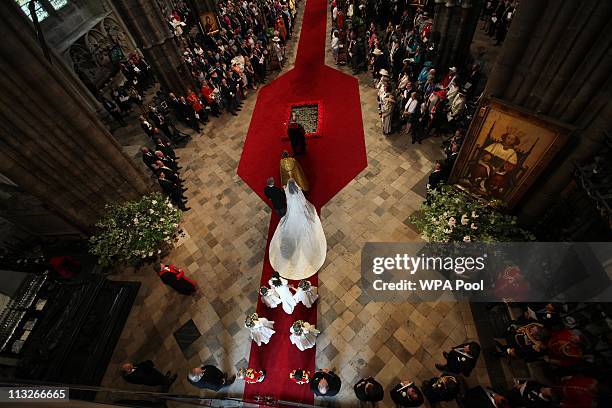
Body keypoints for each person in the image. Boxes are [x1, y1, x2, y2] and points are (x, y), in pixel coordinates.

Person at [268, 180, 326, 280]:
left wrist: (285, 189)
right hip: (299, 211)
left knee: (290, 223)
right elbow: (303, 202)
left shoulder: (288, 194)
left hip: (292, 211)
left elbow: (287, 198)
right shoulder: (298, 194)